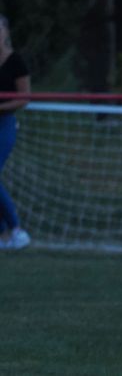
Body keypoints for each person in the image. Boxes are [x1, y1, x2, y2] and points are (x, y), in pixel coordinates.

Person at [0, 14, 32, 250]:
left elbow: (24, 98)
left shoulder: (16, 61)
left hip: (5, 124)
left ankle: (16, 229)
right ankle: (4, 234)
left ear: (6, 32)